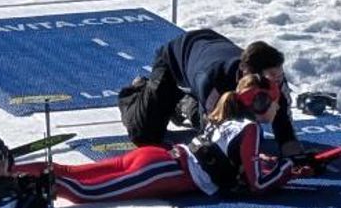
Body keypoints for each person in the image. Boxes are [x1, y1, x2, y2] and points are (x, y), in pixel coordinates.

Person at [48, 76, 316, 205]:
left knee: (70, 171)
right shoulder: (251, 129)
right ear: (260, 103)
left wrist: (268, 163)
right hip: (165, 172)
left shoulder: (228, 114)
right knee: (86, 193)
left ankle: (24, 175)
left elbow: (235, 158)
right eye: (277, 103)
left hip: (160, 159)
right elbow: (258, 185)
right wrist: (286, 169)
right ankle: (33, 189)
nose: (279, 108)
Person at [120, 28, 300, 150]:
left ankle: (185, 101)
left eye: (279, 76)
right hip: (175, 58)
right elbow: (211, 132)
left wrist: (289, 145)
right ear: (248, 72)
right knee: (145, 136)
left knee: (245, 124)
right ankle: (138, 91)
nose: (277, 82)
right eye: (272, 77)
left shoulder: (274, 79)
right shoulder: (212, 78)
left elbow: (282, 112)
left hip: (209, 49)